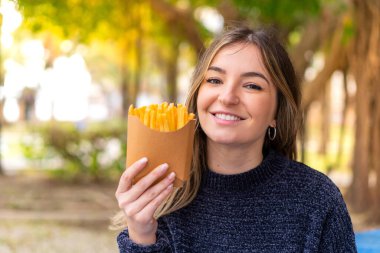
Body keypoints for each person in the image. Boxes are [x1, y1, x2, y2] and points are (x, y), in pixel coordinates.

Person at [113, 26, 357, 252]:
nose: (228, 97)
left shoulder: (316, 199)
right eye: (215, 80)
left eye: (252, 85)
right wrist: (141, 233)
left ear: (277, 112)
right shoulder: (162, 195)